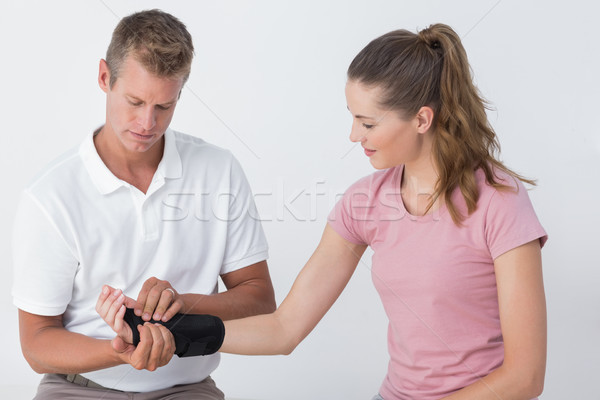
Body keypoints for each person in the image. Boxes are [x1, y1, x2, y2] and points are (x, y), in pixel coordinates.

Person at [98, 23, 548, 399]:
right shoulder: (363, 203)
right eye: (352, 117)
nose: (355, 135)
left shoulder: (498, 202)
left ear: (422, 119)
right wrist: (176, 333)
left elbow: (525, 378)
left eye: (368, 123)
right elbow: (284, 328)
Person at [12, 9, 275, 400]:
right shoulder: (50, 195)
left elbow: (260, 300)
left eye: (163, 107)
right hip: (79, 389)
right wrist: (118, 351)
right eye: (134, 101)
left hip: (187, 388)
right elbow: (36, 344)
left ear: (181, 94)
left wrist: (183, 305)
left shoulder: (219, 170)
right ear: (105, 77)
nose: (147, 123)